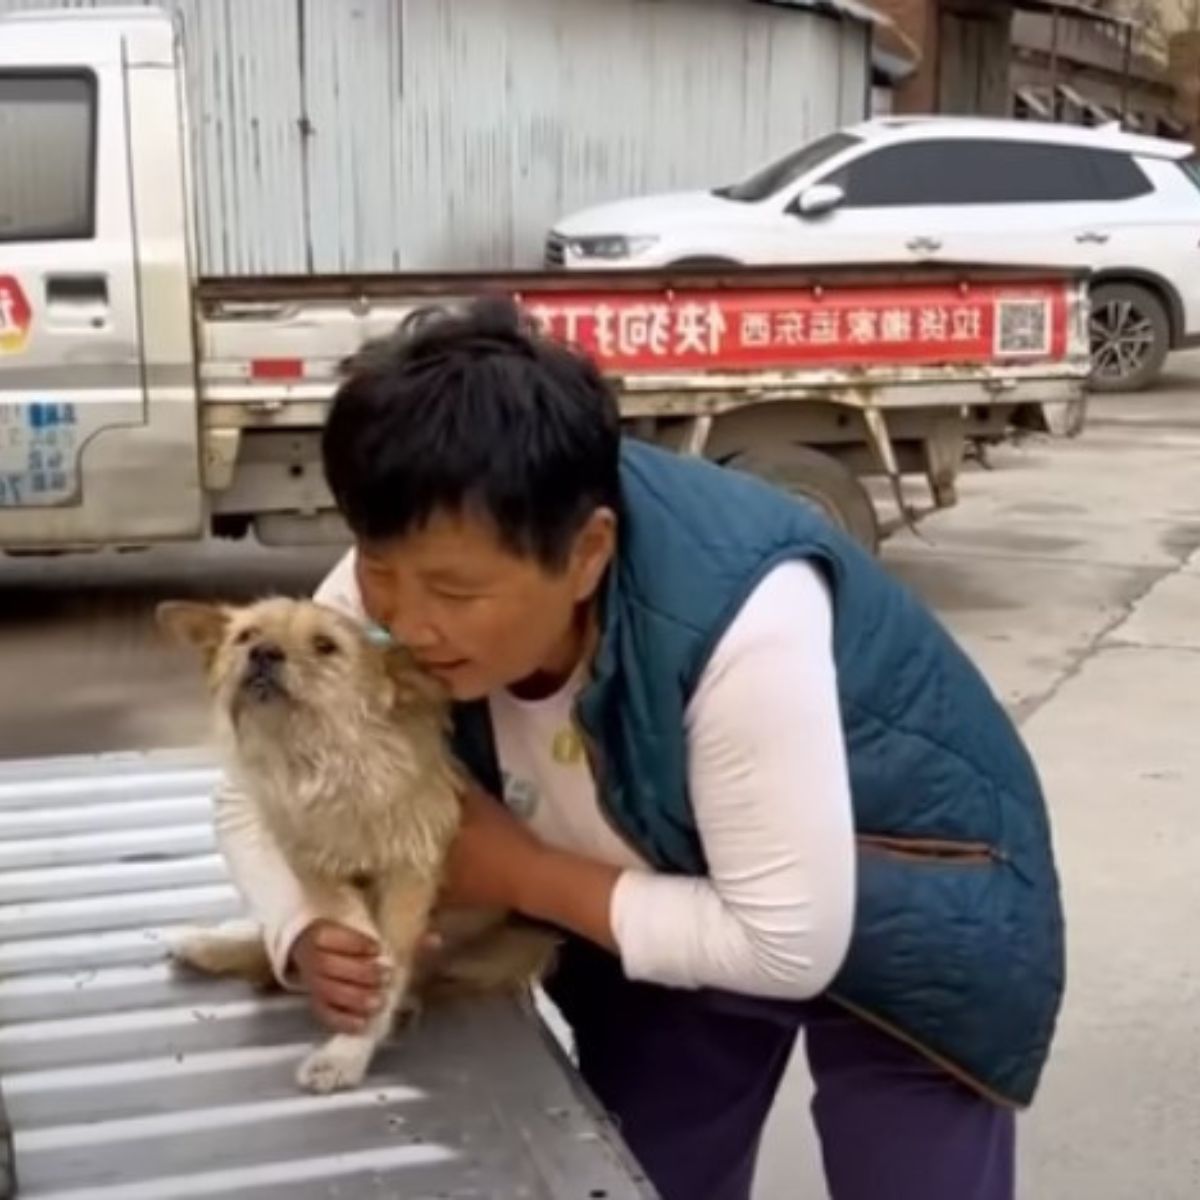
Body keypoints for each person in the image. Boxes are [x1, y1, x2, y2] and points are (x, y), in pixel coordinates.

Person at [213, 299, 1064, 1200]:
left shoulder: (743, 623)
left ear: (587, 554)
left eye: (457, 594)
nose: (408, 624)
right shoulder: (395, 572)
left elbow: (788, 946)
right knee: (635, 1177)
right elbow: (251, 788)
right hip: (649, 897)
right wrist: (298, 926)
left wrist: (520, 875)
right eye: (379, 571)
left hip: (913, 896)